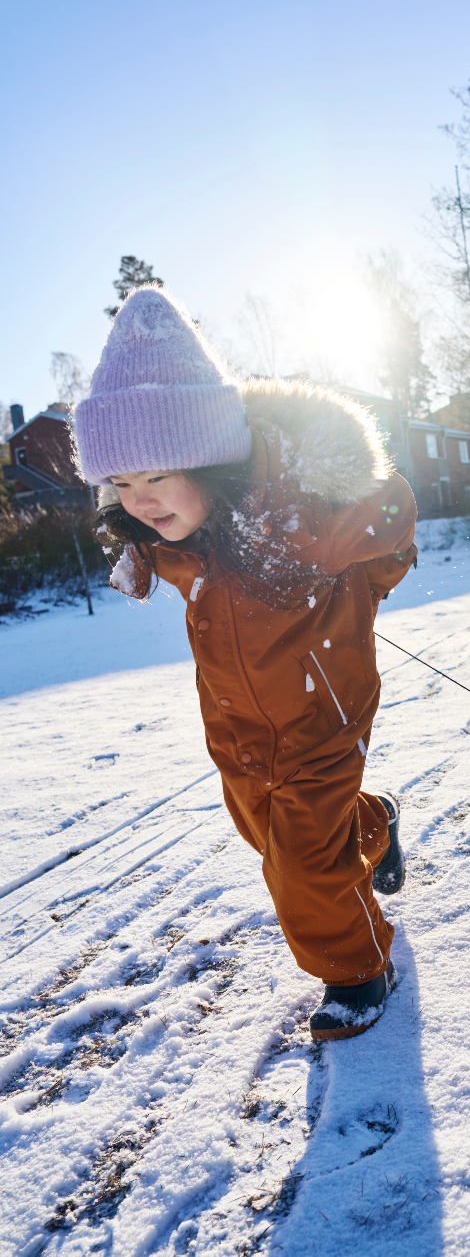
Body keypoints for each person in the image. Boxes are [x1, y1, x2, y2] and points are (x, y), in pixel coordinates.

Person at [72, 285, 417, 1041]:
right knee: (272, 835)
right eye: (122, 485)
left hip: (323, 710)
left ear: (212, 457)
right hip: (237, 728)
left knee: (301, 862)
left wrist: (370, 580)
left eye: (157, 476)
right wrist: (138, 554)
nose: (141, 500)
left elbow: (393, 510)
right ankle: (375, 822)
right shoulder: (170, 535)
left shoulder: (300, 517)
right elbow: (152, 537)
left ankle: (358, 970)